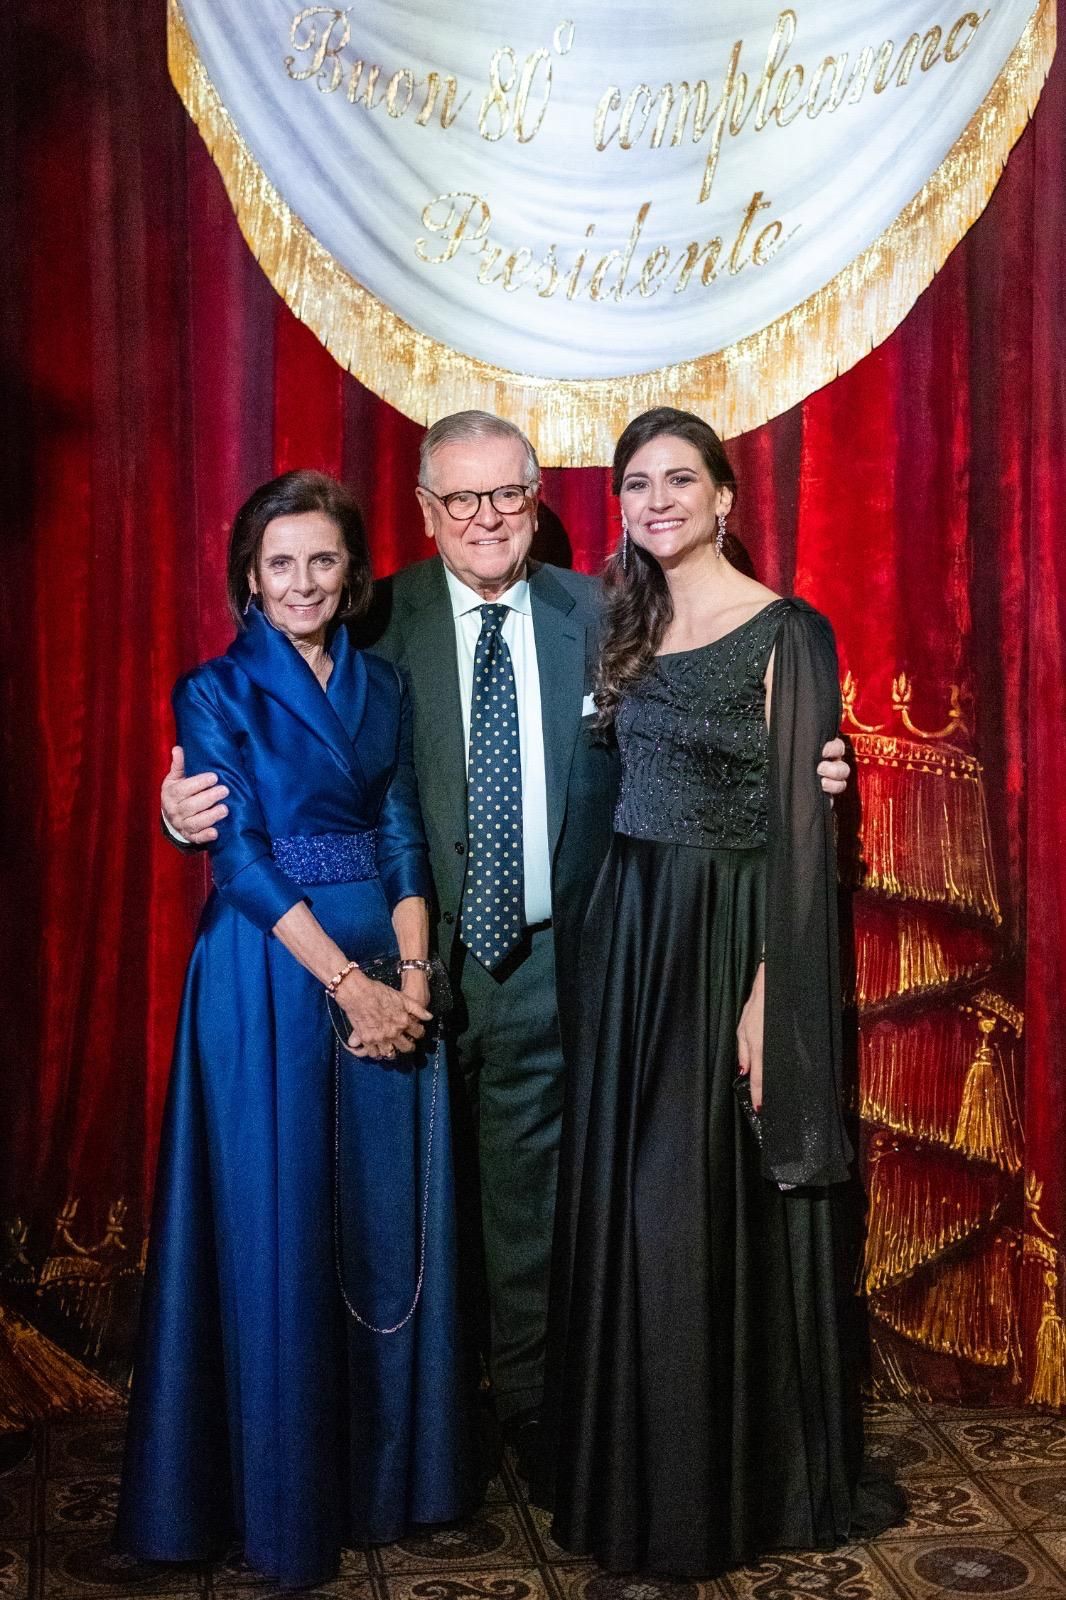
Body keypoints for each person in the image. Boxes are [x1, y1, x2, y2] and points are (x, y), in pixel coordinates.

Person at [160, 414, 852, 1480]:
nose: (485, 518)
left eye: (506, 496)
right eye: (460, 499)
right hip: (402, 960)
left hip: (558, 958)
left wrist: (817, 763)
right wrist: (180, 808)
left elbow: (711, 731)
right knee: (396, 1194)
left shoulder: (612, 609)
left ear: (535, 502)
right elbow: (274, 734)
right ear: (427, 512)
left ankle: (529, 1410)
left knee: (535, 1196)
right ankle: (406, 1420)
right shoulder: (368, 613)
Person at [543, 408, 900, 1576]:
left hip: (731, 934)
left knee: (696, 1205)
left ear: (725, 498)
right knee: (635, 1208)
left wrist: (767, 992)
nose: (655, 500)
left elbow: (800, 831)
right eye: (635, 482)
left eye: (677, 479)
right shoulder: (627, 626)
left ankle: (718, 1489)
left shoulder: (785, 630)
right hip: (635, 942)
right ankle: (634, 1469)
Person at [118, 471, 473, 1589]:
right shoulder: (213, 689)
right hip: (271, 971)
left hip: (384, 959)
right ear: (248, 576)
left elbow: (405, 830)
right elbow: (241, 858)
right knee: (278, 1225)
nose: (303, 582)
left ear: (351, 572)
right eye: (281, 563)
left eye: (322, 561)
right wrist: (350, 986)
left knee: (383, 1228)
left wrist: (412, 977)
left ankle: (386, 1483)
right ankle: (282, 1499)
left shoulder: (384, 685)